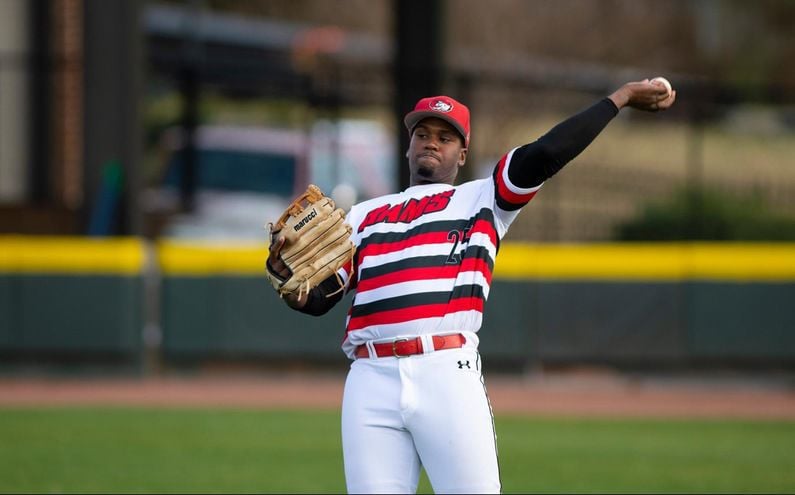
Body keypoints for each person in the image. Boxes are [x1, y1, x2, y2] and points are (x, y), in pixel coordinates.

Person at [267, 78, 676, 494]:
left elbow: (549, 152)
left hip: (445, 373)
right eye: (422, 134)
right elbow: (320, 300)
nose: (431, 142)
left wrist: (619, 99)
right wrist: (290, 281)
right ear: (408, 145)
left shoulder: (485, 199)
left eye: (445, 137)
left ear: (462, 153)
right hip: (370, 379)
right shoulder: (362, 216)